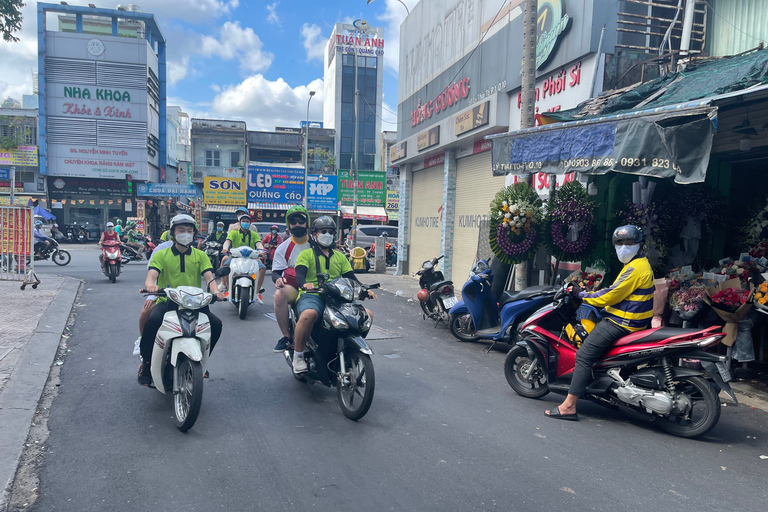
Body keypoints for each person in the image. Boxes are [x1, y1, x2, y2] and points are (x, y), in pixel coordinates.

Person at [545, 225, 654, 421]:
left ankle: (569, 406)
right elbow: (618, 291)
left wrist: (583, 295)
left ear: (639, 245)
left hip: (623, 322)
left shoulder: (635, 269)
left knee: (584, 355)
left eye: (629, 243)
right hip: (633, 319)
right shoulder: (639, 264)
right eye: (619, 243)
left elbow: (611, 295)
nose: (623, 247)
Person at [138, 214, 226, 386]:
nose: (185, 233)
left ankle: (202, 360)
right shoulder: (162, 255)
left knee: (216, 325)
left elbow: (209, 278)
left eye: (189, 230)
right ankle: (147, 364)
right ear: (173, 232)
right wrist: (151, 285)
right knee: (153, 322)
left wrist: (216, 292)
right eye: (181, 230)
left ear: (194, 234)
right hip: (168, 302)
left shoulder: (200, 255)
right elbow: (152, 276)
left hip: (195, 303)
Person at [292, 216, 376, 374]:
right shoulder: (306, 254)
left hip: (338, 297)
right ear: (315, 235)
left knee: (367, 315)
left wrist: (365, 290)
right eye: (323, 231)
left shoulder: (340, 256)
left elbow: (351, 278)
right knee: (308, 315)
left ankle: (351, 348)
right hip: (313, 294)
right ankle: (298, 356)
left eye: (330, 232)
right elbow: (300, 275)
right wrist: (305, 284)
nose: (327, 234)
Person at [271, 205, 312, 352]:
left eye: (301, 221)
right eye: (293, 221)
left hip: (316, 286)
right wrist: (277, 279)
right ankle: (287, 337)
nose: (297, 224)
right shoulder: (283, 248)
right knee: (279, 294)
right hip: (295, 288)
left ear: (307, 223)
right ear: (289, 225)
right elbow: (276, 271)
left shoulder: (316, 244)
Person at [219, 209, 267, 303]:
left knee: (262, 268)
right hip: (235, 256)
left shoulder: (254, 234)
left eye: (247, 221)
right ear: (240, 223)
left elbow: (258, 244)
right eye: (243, 221)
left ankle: (257, 292)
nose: (245, 223)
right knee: (226, 264)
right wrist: (225, 248)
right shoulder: (233, 232)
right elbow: (227, 242)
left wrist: (261, 251)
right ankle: (227, 288)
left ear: (250, 224)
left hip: (251, 256)